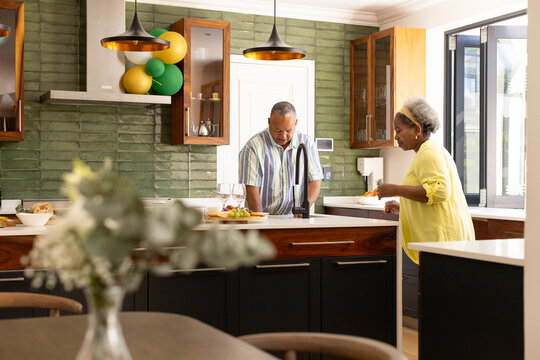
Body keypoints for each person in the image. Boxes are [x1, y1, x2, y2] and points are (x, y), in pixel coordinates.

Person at [376, 96, 475, 264]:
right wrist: (403, 207)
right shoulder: (428, 151)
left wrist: (395, 189)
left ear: (416, 130)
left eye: (398, 130)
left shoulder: (429, 152)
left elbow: (440, 192)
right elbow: (432, 198)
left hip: (444, 242)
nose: (396, 136)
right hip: (444, 241)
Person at [238, 101, 323, 215]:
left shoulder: (307, 144)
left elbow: (315, 181)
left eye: (289, 130)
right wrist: (260, 221)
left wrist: (303, 208)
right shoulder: (253, 148)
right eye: (277, 130)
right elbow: (251, 190)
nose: (283, 136)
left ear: (296, 123)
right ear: (269, 122)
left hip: (294, 218)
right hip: (263, 216)